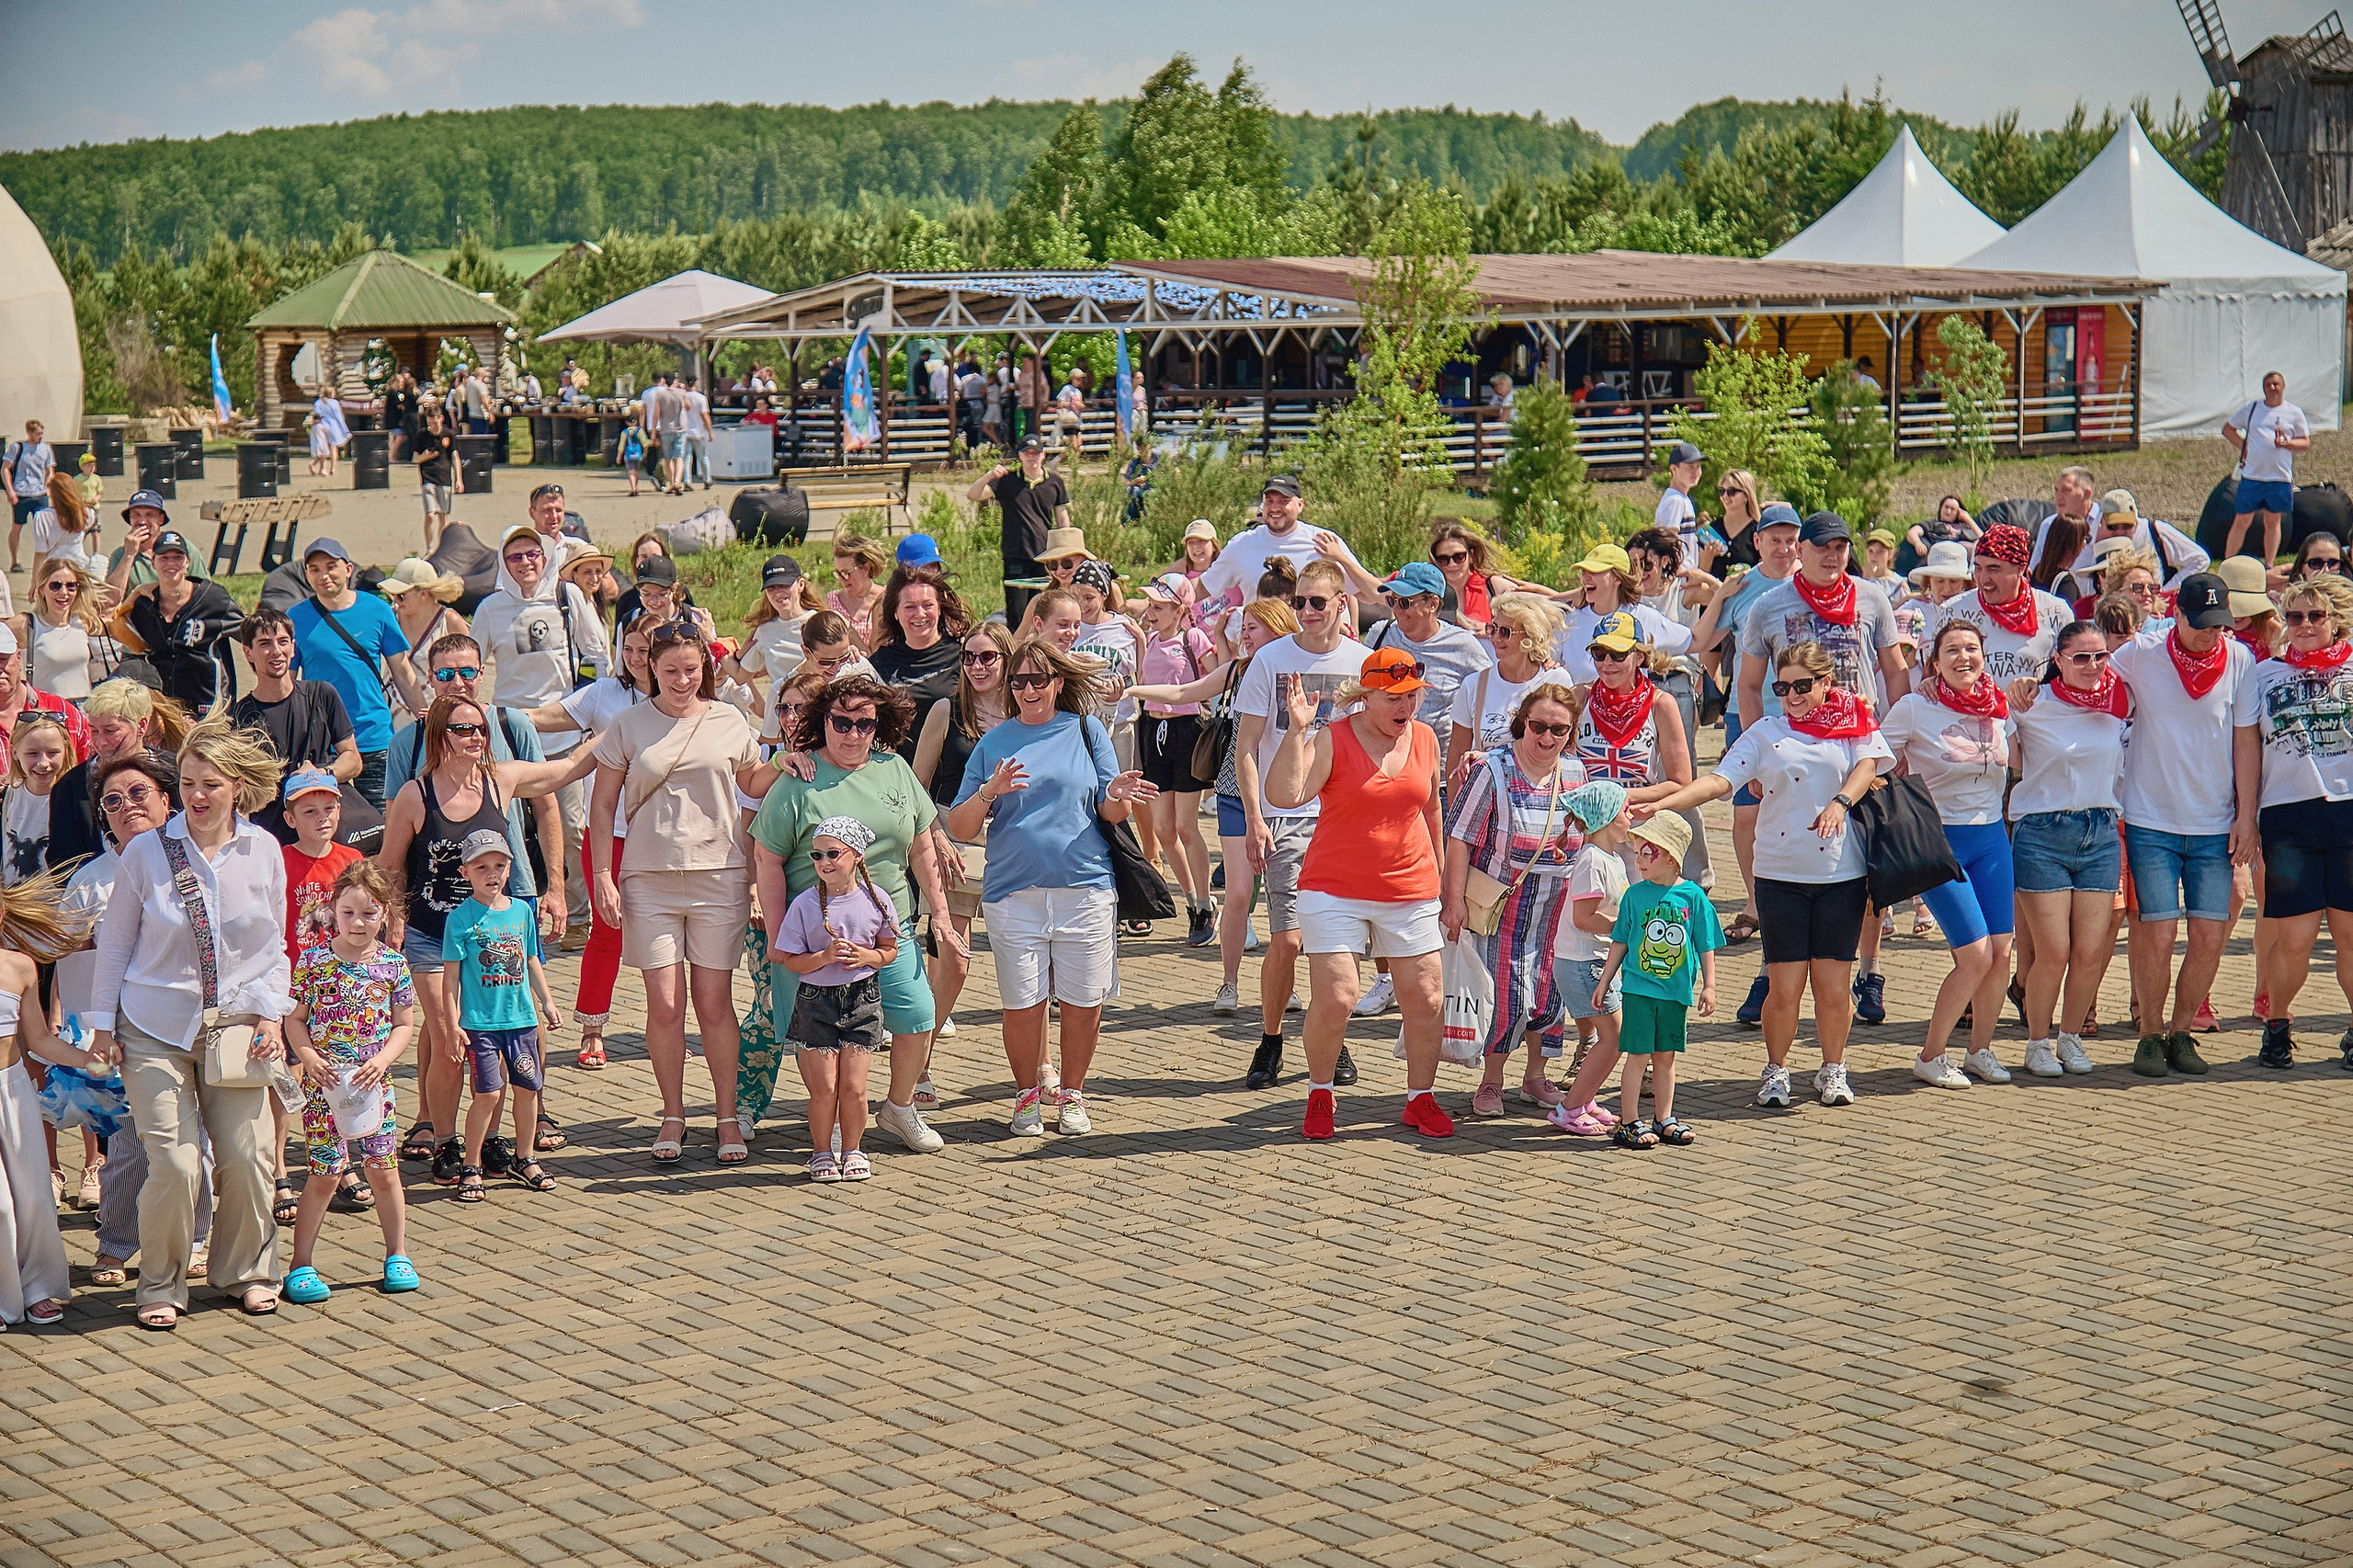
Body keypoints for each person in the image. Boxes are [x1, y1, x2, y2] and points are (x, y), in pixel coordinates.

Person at [88, 716, 295, 1328]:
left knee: (248, 1155)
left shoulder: (263, 852)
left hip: (236, 1029)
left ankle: (248, 1272)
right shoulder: (148, 853)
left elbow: (274, 950)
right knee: (176, 1165)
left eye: (211, 783)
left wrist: (272, 1016)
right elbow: (116, 945)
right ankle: (160, 1282)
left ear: (237, 785)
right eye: (188, 783)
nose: (198, 796)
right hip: (152, 1028)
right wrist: (102, 1025)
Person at [1636, 642, 1891, 1109]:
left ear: (1825, 684)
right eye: (1781, 686)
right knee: (1785, 986)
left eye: (1801, 686)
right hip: (1778, 873)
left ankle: (1833, 1069)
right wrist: (1662, 804)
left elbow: (1867, 767)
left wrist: (1840, 803)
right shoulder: (1766, 732)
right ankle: (1777, 1069)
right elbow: (1720, 782)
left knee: (1833, 987)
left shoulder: (1854, 723)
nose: (1790, 695)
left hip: (1842, 874)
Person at [943, 640, 1154, 1136]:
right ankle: (1026, 1095)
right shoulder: (994, 742)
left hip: (1085, 887)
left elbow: (1108, 807)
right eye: (1019, 681)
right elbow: (960, 824)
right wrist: (987, 792)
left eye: (1039, 679)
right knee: (1023, 1004)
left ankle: (1074, 1093)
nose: (1029, 689)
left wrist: (1120, 797)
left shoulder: (1087, 729)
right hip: (1012, 895)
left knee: (1083, 1003)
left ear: (1058, 682)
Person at [587, 622, 776, 1164]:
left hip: (720, 874)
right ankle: (672, 1114)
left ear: (705, 668)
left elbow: (751, 782)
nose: (682, 679)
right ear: (651, 668)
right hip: (648, 878)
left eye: (692, 669)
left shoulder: (729, 719)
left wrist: (786, 762)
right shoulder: (627, 724)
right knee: (665, 1004)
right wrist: (604, 873)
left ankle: (726, 1116)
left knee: (714, 1004)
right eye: (670, 669)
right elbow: (602, 807)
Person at [379, 695, 585, 1186]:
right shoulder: (416, 795)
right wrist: (392, 917)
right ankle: (446, 1142)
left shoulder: (500, 780)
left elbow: (566, 770)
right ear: (440, 736)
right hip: (432, 936)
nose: (476, 737)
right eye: (464, 729)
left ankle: (489, 1143)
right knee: (451, 1038)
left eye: (480, 729)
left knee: (498, 1036)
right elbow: (389, 864)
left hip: (492, 934)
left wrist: (624, 731)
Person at [747, 676, 956, 1153]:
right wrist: (781, 938)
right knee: (824, 1035)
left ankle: (899, 1108)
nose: (853, 732)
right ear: (824, 720)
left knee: (919, 1015)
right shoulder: (799, 777)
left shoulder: (894, 769)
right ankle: (839, 1119)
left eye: (865, 722)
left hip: (888, 927)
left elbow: (922, 844)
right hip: (820, 938)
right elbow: (767, 859)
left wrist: (940, 912)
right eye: (842, 721)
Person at [1267, 646, 1447, 1141]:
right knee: (1339, 997)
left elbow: (1432, 813)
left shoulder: (1426, 739)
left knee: (1427, 998)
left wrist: (1449, 889)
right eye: (1392, 697)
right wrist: (1298, 728)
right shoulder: (1334, 737)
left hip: (1410, 885)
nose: (1404, 706)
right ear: (1364, 696)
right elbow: (1284, 795)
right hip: (1333, 888)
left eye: (1412, 696)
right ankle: (1321, 1092)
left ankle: (1420, 1098)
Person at [2095, 574, 2254, 1077]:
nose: (2213, 634)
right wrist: (2033, 686)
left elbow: (2246, 742)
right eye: (2202, 624)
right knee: (2157, 935)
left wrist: (2245, 816)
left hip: (2214, 824)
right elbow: (2088, 680)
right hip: (2149, 820)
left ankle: (2182, 1033)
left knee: (2209, 936)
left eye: (2220, 624)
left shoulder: (2241, 661)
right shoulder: (2140, 653)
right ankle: (2149, 1035)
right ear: (2177, 615)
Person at [1232, 557, 1369, 1088]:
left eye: (1317, 602)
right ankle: (1270, 1040)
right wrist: (1255, 818)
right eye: (1299, 602)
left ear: (1341, 605)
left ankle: (1333, 1042)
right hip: (1284, 817)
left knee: (1334, 945)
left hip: (1342, 820)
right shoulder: (1270, 660)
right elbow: (1245, 748)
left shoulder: (1363, 662)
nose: (1306, 611)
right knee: (1287, 941)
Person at [1130, 597, 1298, 1015]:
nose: (1245, 634)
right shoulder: (1237, 671)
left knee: (1284, 902)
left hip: (1285, 797)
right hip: (1234, 792)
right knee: (1240, 893)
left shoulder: (1295, 674)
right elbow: (1186, 690)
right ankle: (1229, 982)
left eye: (1254, 628)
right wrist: (1133, 688)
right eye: (1245, 627)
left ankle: (1284, 986)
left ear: (1278, 631)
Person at [1880, 620, 2018, 1087]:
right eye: (1952, 651)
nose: (1964, 658)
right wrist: (1892, 781)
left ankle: (1980, 1051)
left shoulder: (2000, 708)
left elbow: (2022, 753)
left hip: (1993, 839)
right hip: (1939, 844)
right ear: (1933, 662)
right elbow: (1871, 754)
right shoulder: (1916, 708)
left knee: (2001, 954)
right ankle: (1931, 1056)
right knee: (1975, 956)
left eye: (1972, 649)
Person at [278, 859, 418, 1304]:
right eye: (349, 913)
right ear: (332, 911)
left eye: (370, 913)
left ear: (386, 914)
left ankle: (397, 1254)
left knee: (383, 1170)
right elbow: (296, 1019)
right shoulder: (315, 960)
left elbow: (404, 1024)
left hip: (375, 1089)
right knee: (324, 1174)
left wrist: (382, 1060)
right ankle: (301, 1263)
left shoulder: (394, 965)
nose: (359, 923)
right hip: (324, 1091)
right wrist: (307, 1057)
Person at [1442, 682, 1584, 1118]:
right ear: (1522, 723)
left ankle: (1536, 1078)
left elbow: (1594, 829)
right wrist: (1453, 901)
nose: (1547, 737)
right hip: (1502, 904)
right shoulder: (1492, 769)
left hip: (1557, 905)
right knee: (1503, 994)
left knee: (1551, 991)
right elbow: (1459, 837)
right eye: (1538, 726)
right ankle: (1491, 1081)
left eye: (1558, 730)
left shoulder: (1576, 773)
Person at [2233, 572, 2353, 1069]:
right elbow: (2246, 747)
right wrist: (2247, 816)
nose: (2302, 625)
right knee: (2295, 937)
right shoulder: (2263, 674)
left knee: (2349, 933)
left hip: (2348, 812)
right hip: (2288, 813)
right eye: (2295, 615)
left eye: (2315, 616)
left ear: (2337, 621)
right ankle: (2278, 1020)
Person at [2004, 619, 2130, 1077]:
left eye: (2100, 656)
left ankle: (2071, 1037)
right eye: (2081, 657)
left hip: (2099, 831)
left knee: (2090, 953)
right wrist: (2017, 686)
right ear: (2057, 660)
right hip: (2042, 832)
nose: (2093, 666)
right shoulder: (2032, 702)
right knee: (2053, 951)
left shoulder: (2120, 700)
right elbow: (1985, 712)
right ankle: (2037, 1040)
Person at [525, 618, 650, 1067]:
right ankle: (592, 1028)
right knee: (606, 933)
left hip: (664, 839)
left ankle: (668, 1028)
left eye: (646, 650)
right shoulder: (604, 694)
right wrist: (487, 713)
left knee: (671, 937)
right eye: (629, 648)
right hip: (609, 835)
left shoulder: (686, 701)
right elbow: (546, 717)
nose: (637, 659)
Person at [474, 526, 608, 934]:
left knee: (570, 829)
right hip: (510, 737)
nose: (526, 563)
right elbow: (472, 664)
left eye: (533, 553)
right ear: (504, 563)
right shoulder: (490, 609)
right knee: (512, 831)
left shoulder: (567, 596)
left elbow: (598, 654)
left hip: (564, 735)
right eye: (515, 557)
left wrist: (590, 711)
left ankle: (579, 917)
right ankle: (516, 915)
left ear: (546, 555)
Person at [776, 816, 897, 1181]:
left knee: (854, 1087)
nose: (824, 862)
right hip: (816, 1001)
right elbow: (788, 958)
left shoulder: (877, 899)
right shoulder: (804, 904)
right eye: (817, 855)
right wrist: (824, 958)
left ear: (857, 856)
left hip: (863, 999)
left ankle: (853, 1149)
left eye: (833, 853)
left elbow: (890, 948)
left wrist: (868, 958)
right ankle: (821, 1151)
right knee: (824, 1088)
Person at [910, 623, 1011, 1057]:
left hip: (1013, 838)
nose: (977, 666)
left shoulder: (1027, 711)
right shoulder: (946, 711)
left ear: (1008, 660)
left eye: (988, 657)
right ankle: (922, 1058)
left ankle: (1043, 1070)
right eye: (969, 657)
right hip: (953, 836)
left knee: (1027, 960)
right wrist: (935, 835)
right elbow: (917, 785)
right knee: (953, 958)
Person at [0, 873, 97, 1326]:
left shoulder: (19, 966)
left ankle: (39, 1284)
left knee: (36, 1196)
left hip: (13, 1089)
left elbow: (38, 1039)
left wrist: (92, 1059)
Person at [446, 832, 563, 1200]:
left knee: (528, 1089)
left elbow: (531, 960)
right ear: (466, 872)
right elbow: (450, 979)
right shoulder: (459, 919)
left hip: (522, 1020)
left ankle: (525, 1157)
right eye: (481, 867)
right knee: (488, 1094)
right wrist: (451, 1024)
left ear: (510, 867)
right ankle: (472, 1163)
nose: (492, 874)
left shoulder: (521, 912)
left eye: (499, 865)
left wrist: (546, 1001)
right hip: (480, 1024)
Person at [1591, 811, 1718, 1149]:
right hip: (1638, 991)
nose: (1640, 858)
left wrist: (1709, 985)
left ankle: (1664, 1117)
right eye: (1638, 851)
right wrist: (1605, 982)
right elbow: (1620, 940)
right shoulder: (1634, 896)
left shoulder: (1693, 897)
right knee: (1638, 1055)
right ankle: (1630, 1120)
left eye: (1650, 852)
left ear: (1673, 858)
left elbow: (1704, 943)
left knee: (1666, 1057)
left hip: (1676, 993)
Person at [289, 539, 426, 808]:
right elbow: (288, 683)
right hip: (324, 744)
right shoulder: (295, 617)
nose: (323, 575)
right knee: (329, 826)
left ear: (349, 569)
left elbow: (402, 671)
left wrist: (426, 719)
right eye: (314, 569)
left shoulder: (377, 609)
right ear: (306, 575)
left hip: (374, 737)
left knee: (383, 825)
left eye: (331, 566)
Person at [1133, 573, 1221, 943]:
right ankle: (1191, 901)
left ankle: (1204, 904)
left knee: (1186, 826)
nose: (1151, 612)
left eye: (1159, 606)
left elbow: (1219, 675)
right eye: (1150, 605)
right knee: (1163, 829)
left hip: (1187, 732)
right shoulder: (1150, 639)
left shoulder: (1194, 638)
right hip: (1154, 732)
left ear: (1180, 609)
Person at [1544, 782, 1632, 1135]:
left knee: (1613, 1038)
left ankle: (1584, 1099)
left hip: (1594, 964)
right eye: (1626, 810)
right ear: (1608, 818)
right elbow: (1584, 918)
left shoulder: (1609, 858)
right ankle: (1568, 1109)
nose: (1632, 816)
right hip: (1584, 965)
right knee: (1615, 1038)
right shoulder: (1593, 861)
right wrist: (1623, 928)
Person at [230, 608, 361, 842]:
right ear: (248, 652)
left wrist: (321, 774)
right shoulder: (239, 716)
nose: (276, 651)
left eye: (282, 642)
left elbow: (353, 760)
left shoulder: (321, 695)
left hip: (324, 833)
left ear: (293, 647)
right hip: (271, 835)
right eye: (265, 644)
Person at [1196, 475, 1372, 617]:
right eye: (1269, 501)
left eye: (1283, 501)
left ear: (1300, 505)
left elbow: (1367, 593)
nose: (1275, 508)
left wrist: (1341, 558)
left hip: (1311, 650)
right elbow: (1203, 587)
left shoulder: (1324, 541)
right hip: (1260, 652)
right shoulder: (1241, 545)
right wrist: (1171, 590)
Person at [123, 530, 243, 714]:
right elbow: (111, 626)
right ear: (153, 562)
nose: (171, 563)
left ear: (187, 562)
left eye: (178, 557)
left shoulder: (213, 599)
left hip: (209, 707)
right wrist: (134, 594)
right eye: (164, 557)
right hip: (164, 708)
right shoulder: (144, 607)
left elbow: (250, 634)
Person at [1449, 593, 1571, 770]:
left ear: (1530, 635)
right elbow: (1457, 753)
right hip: (1490, 794)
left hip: (1542, 792)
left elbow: (1568, 746)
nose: (1496, 638)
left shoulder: (1556, 680)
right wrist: (1457, 799)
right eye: (1493, 628)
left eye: (1505, 632)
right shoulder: (1474, 685)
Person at [868, 559, 970, 763]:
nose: (920, 614)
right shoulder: (879, 664)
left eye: (927, 605)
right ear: (896, 613)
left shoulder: (963, 656)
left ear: (940, 608)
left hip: (955, 775)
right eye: (910, 607)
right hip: (901, 774)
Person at [1552, 543, 1694, 684]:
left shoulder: (1641, 616)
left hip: (1636, 706)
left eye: (1594, 572)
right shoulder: (1567, 623)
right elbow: (1545, 668)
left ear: (1617, 578)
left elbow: (1695, 640)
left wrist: (1716, 591)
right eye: (1584, 572)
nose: (1585, 578)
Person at [968, 437, 1070, 629]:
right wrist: (989, 475)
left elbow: (1062, 518)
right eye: (1027, 453)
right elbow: (973, 495)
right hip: (1016, 556)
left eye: (1036, 453)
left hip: (1045, 559)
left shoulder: (1055, 482)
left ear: (1043, 455)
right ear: (1020, 456)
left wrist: (1064, 552)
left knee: (1045, 613)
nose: (1032, 457)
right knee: (1017, 615)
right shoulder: (1007, 481)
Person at [2222, 371, 2312, 565]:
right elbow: (2228, 429)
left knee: (2272, 521)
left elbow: (2305, 443)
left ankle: (2269, 564)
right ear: (2264, 388)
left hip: (2279, 477)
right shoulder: (2252, 409)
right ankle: (2228, 562)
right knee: (2242, 520)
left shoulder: (2294, 412)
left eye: (2276, 384)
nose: (2273, 388)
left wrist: (2288, 443)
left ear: (2283, 386)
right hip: (2253, 475)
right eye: (2269, 385)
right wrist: (2243, 446)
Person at [720, 555, 814, 735]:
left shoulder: (818, 621)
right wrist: (717, 647)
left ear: (800, 585)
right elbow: (740, 676)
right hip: (786, 719)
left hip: (817, 712)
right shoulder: (764, 631)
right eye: (772, 588)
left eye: (784, 585)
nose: (778, 593)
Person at [377, 558, 471, 696]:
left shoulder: (450, 621)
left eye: (401, 595)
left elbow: (468, 672)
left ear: (423, 594)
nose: (395, 600)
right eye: (392, 595)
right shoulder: (390, 617)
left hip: (434, 711)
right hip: (391, 711)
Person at [19, 560, 102, 703]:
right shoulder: (27, 624)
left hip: (83, 709)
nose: (63, 592)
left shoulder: (82, 622)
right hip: (46, 711)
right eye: (55, 586)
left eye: (71, 586)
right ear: (41, 590)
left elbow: (116, 604)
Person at [1426, 519, 1518, 633]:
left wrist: (1492, 630)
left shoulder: (1492, 586)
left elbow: (1538, 610)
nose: (1452, 564)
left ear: (1471, 556)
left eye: (1459, 557)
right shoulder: (1429, 592)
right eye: (1444, 560)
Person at [825, 533, 890, 650]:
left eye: (846, 573)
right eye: (838, 573)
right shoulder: (830, 602)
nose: (841, 579)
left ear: (866, 569)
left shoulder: (887, 598)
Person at [6, 419, 53, 574]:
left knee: (45, 527)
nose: (40, 436)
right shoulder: (17, 447)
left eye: (41, 433)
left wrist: (48, 485)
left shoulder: (45, 449)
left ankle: (46, 559)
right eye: (37, 433)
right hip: (21, 493)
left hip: (39, 494)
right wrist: (10, 490)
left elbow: (50, 470)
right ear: (29, 433)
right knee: (17, 527)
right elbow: (5, 469)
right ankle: (15, 560)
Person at [413, 403, 460, 552]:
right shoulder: (421, 436)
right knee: (430, 515)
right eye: (429, 423)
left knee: (443, 517)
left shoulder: (449, 435)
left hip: (444, 479)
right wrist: (425, 457)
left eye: (435, 423)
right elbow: (415, 459)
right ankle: (429, 547)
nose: (432, 426)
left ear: (441, 418)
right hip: (428, 478)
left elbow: (455, 457)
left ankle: (441, 548)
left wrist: (459, 478)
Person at [1655, 441, 1704, 567]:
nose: (1695, 472)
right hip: (1678, 577)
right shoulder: (1674, 501)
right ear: (1673, 469)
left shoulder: (1684, 499)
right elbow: (1668, 541)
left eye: (1698, 466)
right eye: (1690, 467)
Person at [1906, 494, 1980, 562]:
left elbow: (1984, 540)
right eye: (1946, 507)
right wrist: (1917, 543)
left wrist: (1969, 520)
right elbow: (1912, 532)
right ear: (1941, 508)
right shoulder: (1933, 523)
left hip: (1962, 559)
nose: (1948, 511)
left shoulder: (1964, 526)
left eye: (1952, 509)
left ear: (1959, 512)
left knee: (1976, 545)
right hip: (1943, 555)